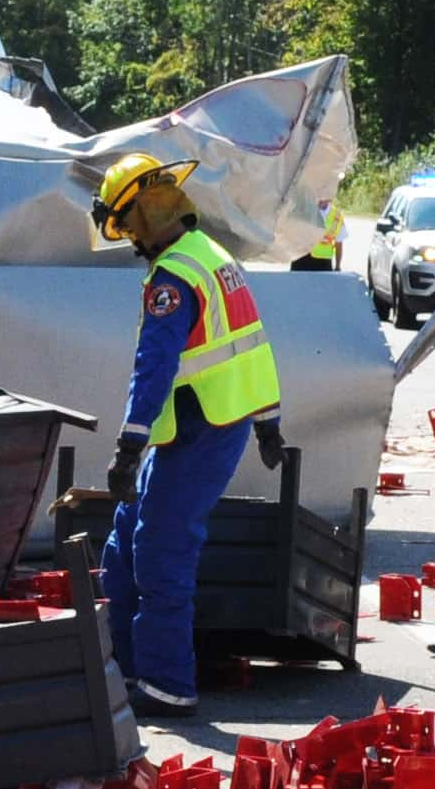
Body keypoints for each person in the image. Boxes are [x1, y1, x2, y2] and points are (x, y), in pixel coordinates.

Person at [91, 150, 290, 713]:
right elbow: (253, 348)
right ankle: (128, 673)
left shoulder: (173, 277)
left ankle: (167, 685)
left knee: (159, 550)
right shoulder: (212, 257)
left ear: (144, 214)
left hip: (197, 428)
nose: (130, 239)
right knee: (126, 542)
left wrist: (128, 447)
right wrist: (268, 422)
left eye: (128, 224)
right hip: (201, 425)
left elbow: (153, 370)